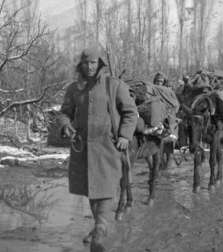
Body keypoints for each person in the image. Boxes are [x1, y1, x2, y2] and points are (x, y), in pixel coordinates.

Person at [58, 47, 138, 252]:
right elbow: (65, 112)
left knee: (106, 192)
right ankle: (99, 227)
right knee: (92, 193)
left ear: (100, 64)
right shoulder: (74, 89)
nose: (90, 66)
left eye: (94, 63)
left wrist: (124, 136)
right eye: (86, 63)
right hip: (83, 150)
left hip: (108, 149)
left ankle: (100, 235)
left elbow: (130, 112)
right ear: (81, 65)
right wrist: (66, 125)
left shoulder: (114, 85)